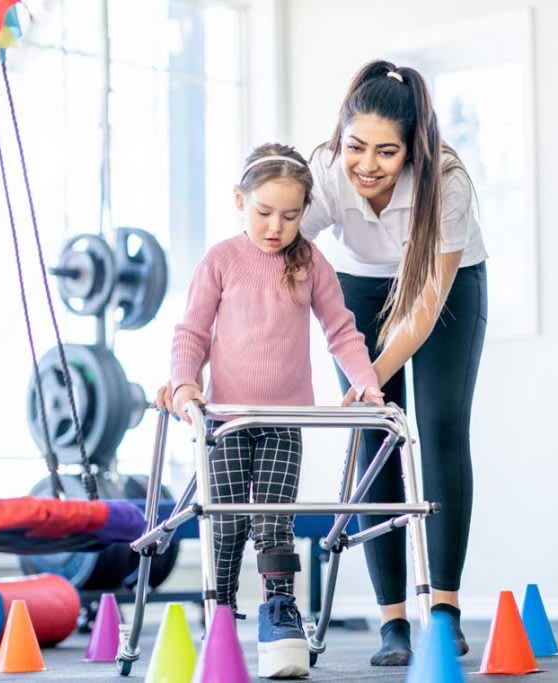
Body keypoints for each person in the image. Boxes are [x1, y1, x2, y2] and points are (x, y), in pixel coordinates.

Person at [160, 142, 383, 679]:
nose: (275, 227)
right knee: (226, 521)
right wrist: (184, 384)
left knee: (273, 520)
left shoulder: (310, 262)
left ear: (306, 211)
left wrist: (367, 384)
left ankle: (280, 611)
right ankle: (219, 611)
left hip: (282, 419)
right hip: (225, 422)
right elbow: (191, 331)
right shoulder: (221, 260)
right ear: (240, 201)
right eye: (263, 213)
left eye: (290, 215)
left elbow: (341, 332)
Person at [301, 59, 488, 666]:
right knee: (374, 433)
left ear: (412, 151)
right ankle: (392, 624)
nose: (367, 165)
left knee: (436, 427)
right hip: (360, 284)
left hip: (444, 289)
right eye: (357, 146)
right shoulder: (326, 171)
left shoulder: (447, 181)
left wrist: (370, 376)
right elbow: (273, 257)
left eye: (387, 152)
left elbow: (425, 308)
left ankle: (444, 609)